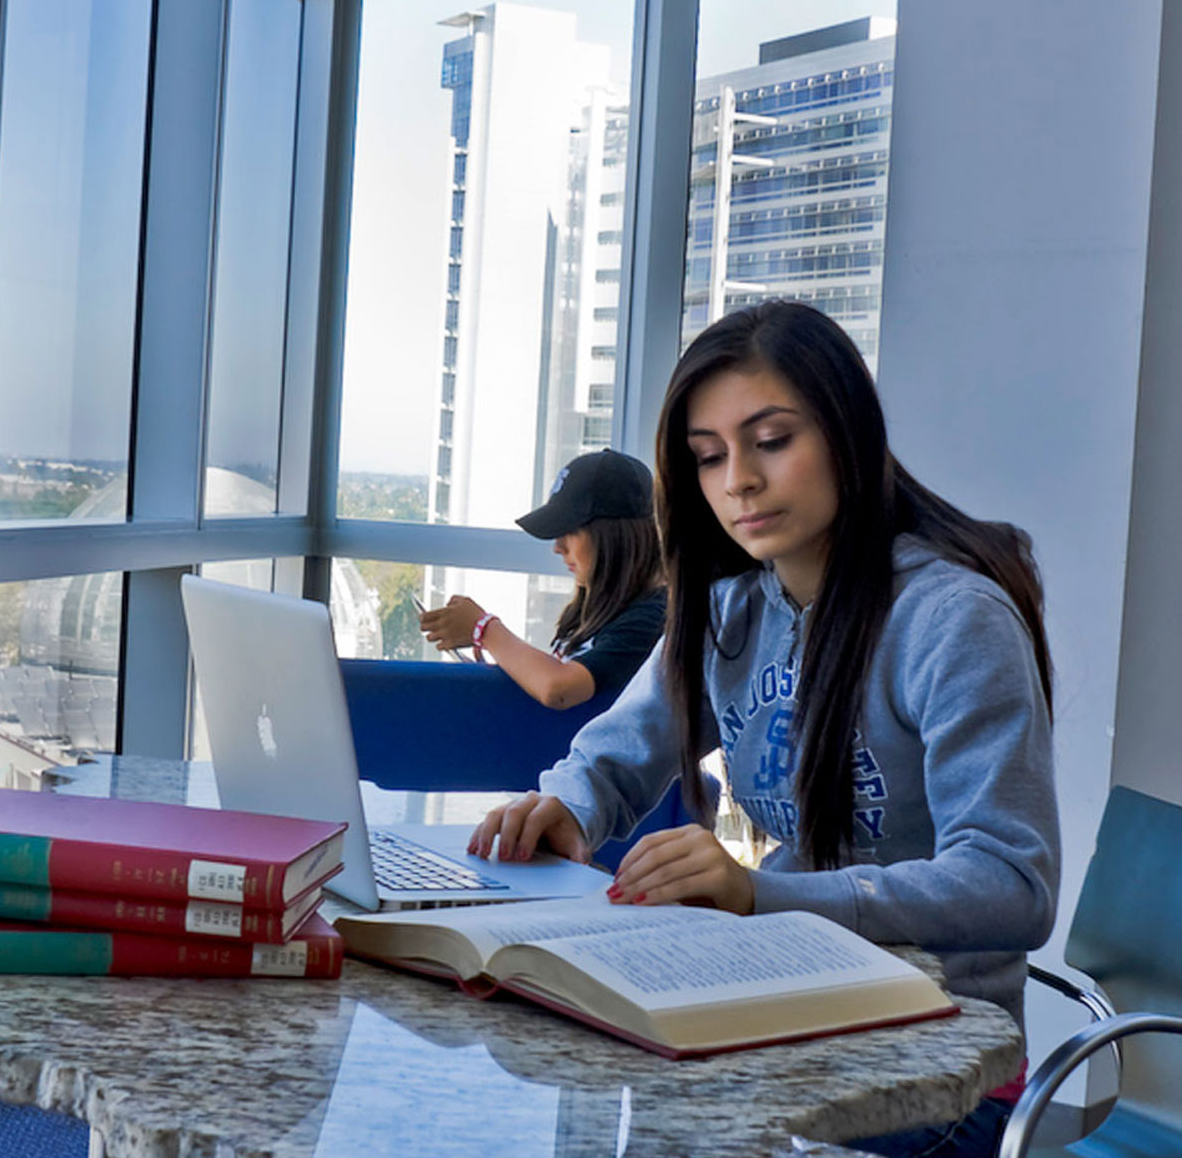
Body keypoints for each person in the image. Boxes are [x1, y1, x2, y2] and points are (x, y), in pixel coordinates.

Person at [468, 301, 1058, 1158]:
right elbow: (617, 756)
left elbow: (1013, 882)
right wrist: (565, 808)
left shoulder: (952, 620)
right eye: (709, 458)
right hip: (780, 1007)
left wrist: (762, 894)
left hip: (929, 1057)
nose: (738, 479)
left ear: (847, 434)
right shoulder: (729, 606)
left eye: (771, 440)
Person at [418, 448, 666, 711]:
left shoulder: (652, 618)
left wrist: (484, 628)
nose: (557, 547)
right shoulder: (596, 611)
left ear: (615, 536)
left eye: (570, 531)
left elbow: (559, 689)